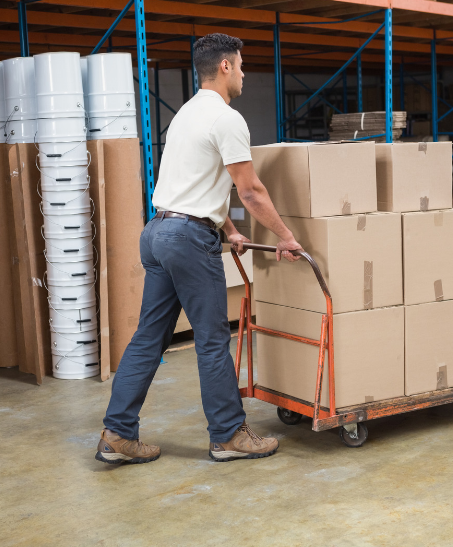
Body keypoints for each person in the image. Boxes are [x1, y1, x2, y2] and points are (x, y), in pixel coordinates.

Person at [96, 33, 304, 465]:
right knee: (212, 341)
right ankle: (228, 435)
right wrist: (286, 236)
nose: (245, 73)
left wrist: (227, 228)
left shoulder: (188, 113)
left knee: (148, 339)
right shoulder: (227, 118)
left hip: (158, 232)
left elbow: (196, 181)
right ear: (225, 66)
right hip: (188, 241)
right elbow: (250, 191)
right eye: (242, 65)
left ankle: (117, 435)